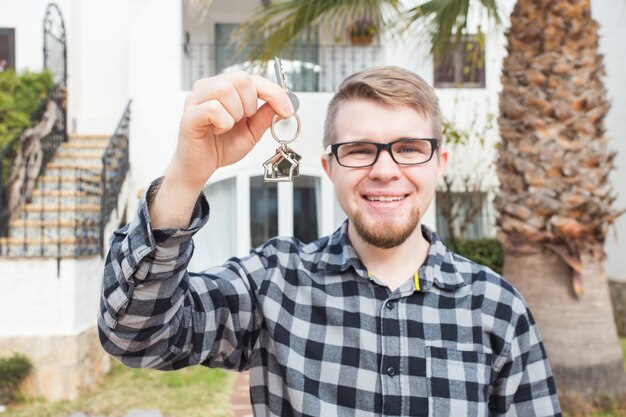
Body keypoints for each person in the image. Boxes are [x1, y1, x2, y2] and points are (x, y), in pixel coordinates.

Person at [98, 66, 561, 417]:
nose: (384, 169)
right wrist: (186, 174)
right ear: (329, 168)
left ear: (440, 162)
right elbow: (135, 337)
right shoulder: (275, 283)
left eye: (409, 148)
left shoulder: (498, 308)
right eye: (359, 150)